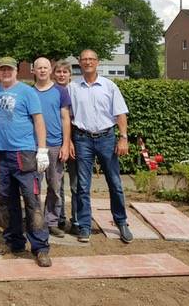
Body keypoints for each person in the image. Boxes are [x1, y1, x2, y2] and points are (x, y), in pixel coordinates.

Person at [0, 56, 51, 267]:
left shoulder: (27, 92)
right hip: (1, 153)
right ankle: (14, 241)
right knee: (6, 201)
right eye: (2, 70)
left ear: (16, 71)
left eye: (9, 69)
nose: (5, 73)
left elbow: (38, 121)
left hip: (24, 152)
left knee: (31, 200)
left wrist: (42, 150)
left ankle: (40, 247)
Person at [69, 49, 133, 244]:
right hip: (82, 139)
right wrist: (69, 141)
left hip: (106, 138)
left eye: (91, 59)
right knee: (83, 185)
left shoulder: (109, 86)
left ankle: (121, 222)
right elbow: (67, 117)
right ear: (79, 63)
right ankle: (85, 226)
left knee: (114, 182)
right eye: (84, 59)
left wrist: (123, 138)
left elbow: (120, 113)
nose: (88, 62)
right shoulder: (72, 87)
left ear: (97, 62)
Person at [32, 57, 71, 238]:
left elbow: (65, 119)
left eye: (45, 67)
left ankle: (52, 221)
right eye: (39, 68)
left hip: (55, 146)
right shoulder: (29, 92)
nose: (42, 71)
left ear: (50, 70)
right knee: (34, 187)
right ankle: (35, 221)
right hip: (34, 147)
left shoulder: (60, 91)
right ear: (34, 70)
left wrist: (65, 144)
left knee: (55, 187)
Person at [52, 60, 80, 235]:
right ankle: (59, 217)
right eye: (59, 72)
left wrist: (70, 141)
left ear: (70, 74)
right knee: (58, 183)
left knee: (77, 184)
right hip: (57, 142)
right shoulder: (51, 91)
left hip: (77, 140)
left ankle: (76, 220)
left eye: (65, 72)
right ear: (54, 74)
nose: (62, 75)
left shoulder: (77, 91)